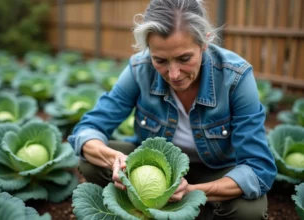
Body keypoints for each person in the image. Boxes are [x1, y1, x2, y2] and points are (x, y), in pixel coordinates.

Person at [68, 0, 277, 219]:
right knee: (91, 161)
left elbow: (257, 168)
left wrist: (193, 192)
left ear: (204, 42)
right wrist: (113, 160)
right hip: (156, 166)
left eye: (184, 58)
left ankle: (190, 208)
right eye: (160, 60)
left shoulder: (235, 77)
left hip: (214, 170)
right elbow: (88, 129)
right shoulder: (140, 69)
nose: (174, 73)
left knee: (249, 211)